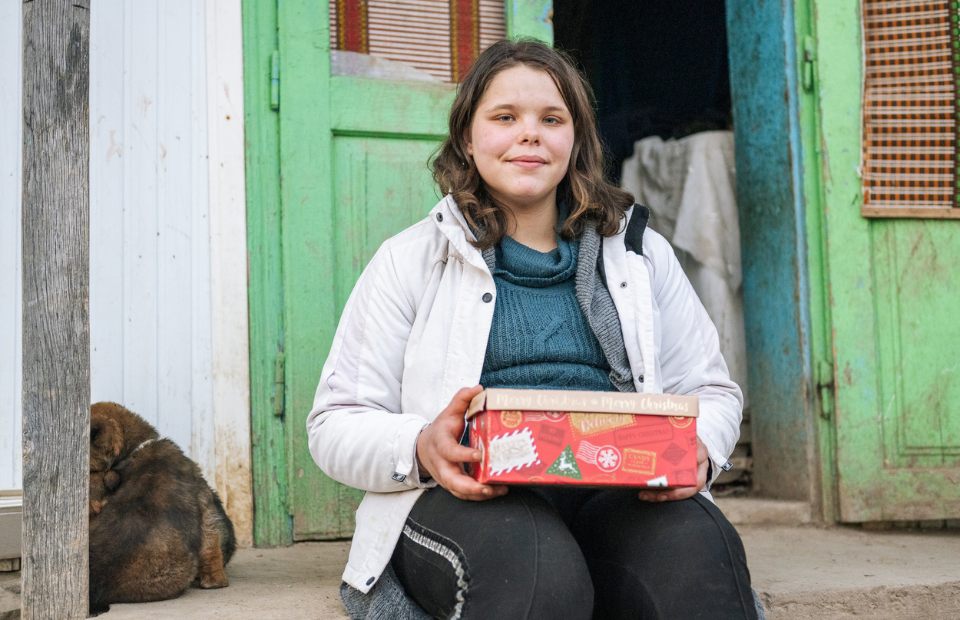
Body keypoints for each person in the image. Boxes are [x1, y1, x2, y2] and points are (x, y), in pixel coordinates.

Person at [307, 39, 761, 620]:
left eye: (552, 119)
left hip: (621, 493)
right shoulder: (411, 260)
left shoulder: (641, 255)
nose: (530, 134)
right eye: (504, 118)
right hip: (468, 497)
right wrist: (422, 446)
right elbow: (334, 421)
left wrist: (700, 450)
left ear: (577, 141)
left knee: (700, 557)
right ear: (468, 140)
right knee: (539, 580)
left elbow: (713, 391)